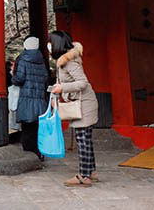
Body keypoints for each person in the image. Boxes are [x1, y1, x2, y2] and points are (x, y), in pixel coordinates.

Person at [49, 30, 99, 187]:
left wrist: (62, 88)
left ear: (56, 44)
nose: (48, 45)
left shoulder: (69, 62)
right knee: (85, 139)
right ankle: (91, 172)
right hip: (81, 102)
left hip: (85, 104)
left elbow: (82, 82)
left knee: (82, 140)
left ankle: (84, 175)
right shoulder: (63, 61)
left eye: (50, 41)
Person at [11, 36, 49, 160]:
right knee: (37, 128)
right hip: (39, 99)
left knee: (27, 128)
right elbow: (45, 79)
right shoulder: (41, 60)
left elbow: (19, 78)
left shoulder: (23, 59)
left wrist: (12, 77)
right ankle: (38, 153)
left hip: (27, 99)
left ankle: (29, 154)